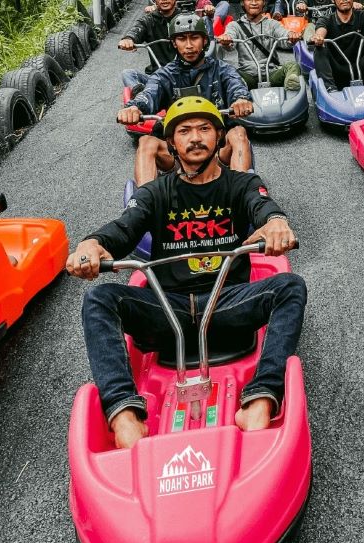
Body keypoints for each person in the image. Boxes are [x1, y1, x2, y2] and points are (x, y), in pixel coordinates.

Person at [68, 97, 307, 449]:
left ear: (218, 136)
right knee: (100, 299)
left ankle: (260, 398)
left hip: (224, 303)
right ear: (172, 143)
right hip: (169, 308)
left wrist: (275, 224)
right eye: (185, 131)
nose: (195, 138)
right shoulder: (154, 193)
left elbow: (264, 206)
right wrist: (92, 245)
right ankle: (124, 414)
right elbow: (123, 228)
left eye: (204, 129)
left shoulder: (240, 184)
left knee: (291, 287)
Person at [118, 13, 254, 185]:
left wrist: (240, 99)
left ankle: (240, 193)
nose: (189, 45)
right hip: (177, 157)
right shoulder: (165, 74)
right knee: (146, 142)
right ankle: (145, 203)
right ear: (174, 43)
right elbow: (150, 93)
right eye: (182, 39)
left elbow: (236, 85)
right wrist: (135, 107)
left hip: (217, 152)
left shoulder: (222, 69)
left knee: (238, 133)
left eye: (194, 38)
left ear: (204, 41)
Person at [217, 0, 304, 91]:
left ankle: (291, 88)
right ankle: (239, 89)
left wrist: (291, 35)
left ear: (264, 2)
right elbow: (230, 42)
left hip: (272, 73)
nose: (254, 2)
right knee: (228, 71)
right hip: (248, 75)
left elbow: (283, 35)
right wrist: (227, 39)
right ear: (243, 3)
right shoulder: (234, 26)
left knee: (293, 65)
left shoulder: (272, 24)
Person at [311, 0, 364, 92]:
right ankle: (330, 89)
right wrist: (318, 37)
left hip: (361, 71)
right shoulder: (326, 19)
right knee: (319, 48)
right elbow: (320, 32)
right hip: (337, 73)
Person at [118, 0, 180, 89]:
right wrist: (129, 39)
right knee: (128, 74)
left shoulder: (185, 18)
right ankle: (141, 98)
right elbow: (137, 29)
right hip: (158, 77)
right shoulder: (149, 20)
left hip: (184, 74)